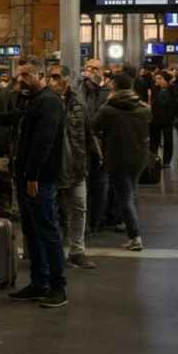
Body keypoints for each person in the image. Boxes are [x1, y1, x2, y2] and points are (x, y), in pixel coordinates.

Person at [7, 61, 68, 308]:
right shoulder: (32, 100)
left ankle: (58, 288)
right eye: (18, 75)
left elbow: (43, 142)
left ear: (39, 75)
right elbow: (17, 118)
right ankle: (39, 282)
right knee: (31, 230)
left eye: (26, 75)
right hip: (26, 176)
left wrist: (32, 176)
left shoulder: (50, 102)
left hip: (40, 178)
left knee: (48, 230)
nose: (21, 79)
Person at [97, 71, 151, 252]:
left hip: (117, 157)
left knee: (125, 197)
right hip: (139, 157)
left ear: (114, 86)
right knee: (131, 192)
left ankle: (135, 236)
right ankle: (132, 230)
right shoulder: (144, 108)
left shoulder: (108, 109)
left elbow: (94, 127)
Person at [50, 65, 95, 270]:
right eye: (50, 77)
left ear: (66, 80)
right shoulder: (45, 102)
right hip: (53, 167)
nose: (52, 81)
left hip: (76, 166)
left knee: (79, 208)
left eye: (56, 77)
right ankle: (56, 252)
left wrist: (93, 158)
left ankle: (77, 251)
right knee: (54, 212)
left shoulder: (79, 104)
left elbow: (87, 133)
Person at [79, 59, 110, 234]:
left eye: (95, 69)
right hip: (82, 144)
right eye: (88, 68)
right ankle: (84, 222)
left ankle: (96, 221)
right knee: (82, 185)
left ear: (102, 71)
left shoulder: (107, 93)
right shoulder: (78, 91)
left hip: (101, 145)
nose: (91, 71)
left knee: (100, 185)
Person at [150, 70, 178, 167]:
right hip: (156, 119)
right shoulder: (156, 89)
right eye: (156, 78)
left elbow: (173, 105)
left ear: (166, 80)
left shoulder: (171, 90)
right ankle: (154, 159)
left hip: (166, 119)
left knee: (167, 140)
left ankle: (166, 161)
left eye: (159, 79)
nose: (157, 81)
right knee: (155, 141)